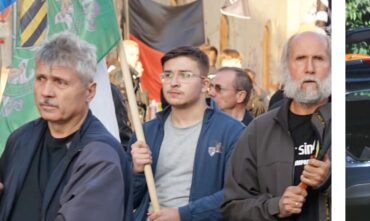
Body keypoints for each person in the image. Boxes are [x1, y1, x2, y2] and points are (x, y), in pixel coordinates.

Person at [0, 32, 132, 221]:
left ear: (89, 91)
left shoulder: (101, 157)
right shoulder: (21, 139)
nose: (46, 92)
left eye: (60, 82)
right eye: (41, 79)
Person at [222, 31, 332, 221]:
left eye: (319, 58)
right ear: (286, 68)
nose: (309, 68)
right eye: (300, 59)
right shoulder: (259, 130)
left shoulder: (349, 121)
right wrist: (275, 207)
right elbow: (233, 207)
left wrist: (329, 181)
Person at [128, 47, 245, 221]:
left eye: (185, 75)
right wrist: (136, 172)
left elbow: (236, 195)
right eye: (167, 75)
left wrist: (182, 215)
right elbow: (128, 199)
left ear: (205, 85)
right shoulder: (147, 132)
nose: (174, 82)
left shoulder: (232, 132)